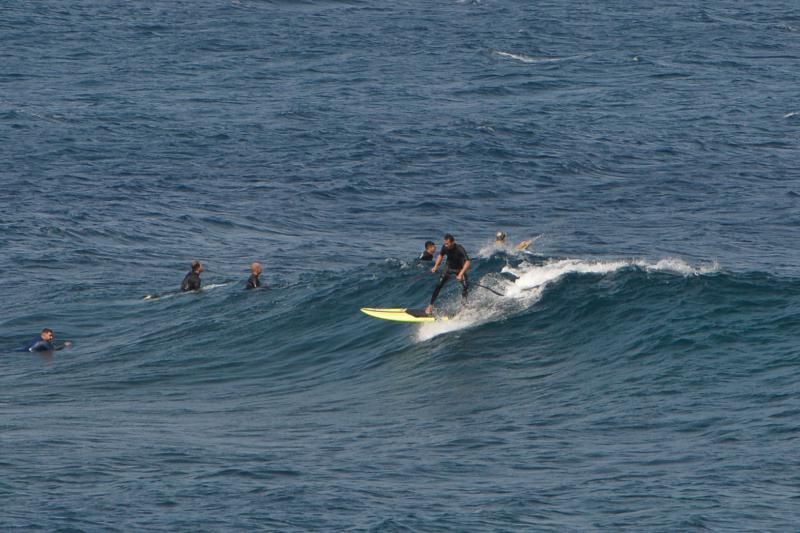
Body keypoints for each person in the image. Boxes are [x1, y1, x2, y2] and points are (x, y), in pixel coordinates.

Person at [426, 234, 471, 315]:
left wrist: (461, 274)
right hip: (448, 268)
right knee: (439, 285)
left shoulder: (459, 248)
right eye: (445, 243)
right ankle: (430, 306)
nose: (445, 245)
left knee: (465, 286)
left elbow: (468, 262)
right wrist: (436, 266)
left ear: (453, 242)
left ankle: (463, 308)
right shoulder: (444, 247)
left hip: (459, 269)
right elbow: (441, 255)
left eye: (447, 244)